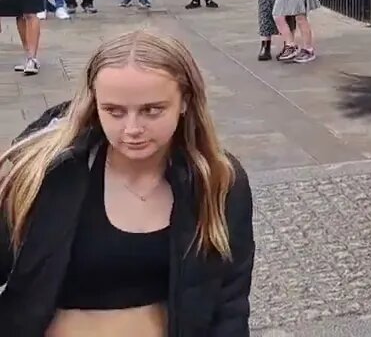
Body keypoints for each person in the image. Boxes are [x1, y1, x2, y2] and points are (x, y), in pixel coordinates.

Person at [0, 29, 255, 336]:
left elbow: (229, 304)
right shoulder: (42, 173)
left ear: (185, 101)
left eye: (151, 110)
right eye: (114, 111)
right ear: (95, 103)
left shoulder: (218, 181)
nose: (132, 128)